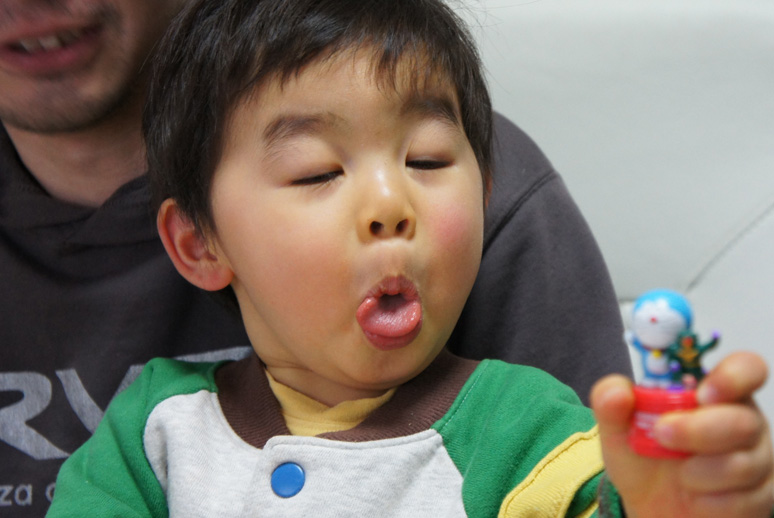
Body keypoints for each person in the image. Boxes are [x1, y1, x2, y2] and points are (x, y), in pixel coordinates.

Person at [46, 0, 773, 516]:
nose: (391, 203)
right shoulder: (156, 433)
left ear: (485, 196)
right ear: (200, 243)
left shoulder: (525, 434)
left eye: (426, 160)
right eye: (317, 173)